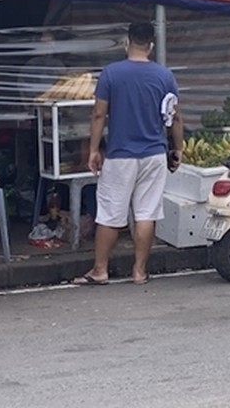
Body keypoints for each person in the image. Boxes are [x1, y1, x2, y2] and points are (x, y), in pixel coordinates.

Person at [75, 22, 183, 286]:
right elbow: (175, 117)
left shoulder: (111, 74)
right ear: (151, 46)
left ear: (127, 42)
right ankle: (139, 271)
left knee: (111, 213)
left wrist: (93, 149)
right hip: (154, 154)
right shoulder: (164, 76)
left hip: (120, 154)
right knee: (146, 213)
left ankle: (100, 270)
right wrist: (177, 148)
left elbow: (99, 113)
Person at [18, 30, 66, 105]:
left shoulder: (58, 65)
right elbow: (25, 90)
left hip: (55, 108)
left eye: (49, 43)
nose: (47, 46)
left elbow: (63, 88)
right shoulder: (31, 65)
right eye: (44, 43)